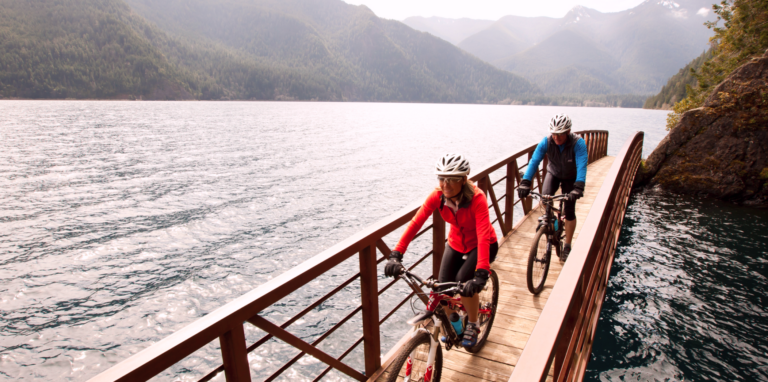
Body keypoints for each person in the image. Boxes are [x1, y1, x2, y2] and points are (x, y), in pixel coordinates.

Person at [384, 153, 498, 348]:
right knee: (442, 289)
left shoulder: (477, 199)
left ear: (464, 179)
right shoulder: (437, 196)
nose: (446, 185)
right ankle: (454, 324)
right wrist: (396, 253)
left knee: (464, 282)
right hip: (455, 243)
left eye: (452, 179)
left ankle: (473, 323)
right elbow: (416, 223)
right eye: (442, 179)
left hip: (482, 244)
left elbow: (483, 235)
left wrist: (481, 272)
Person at [517, 113, 587, 261]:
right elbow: (534, 161)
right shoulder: (546, 142)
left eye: (560, 135)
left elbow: (582, 165)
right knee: (545, 198)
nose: (556, 138)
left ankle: (567, 245)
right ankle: (552, 223)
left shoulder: (578, 143)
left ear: (568, 132)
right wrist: (525, 182)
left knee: (569, 210)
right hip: (553, 173)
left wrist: (579, 186)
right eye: (554, 134)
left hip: (571, 177)